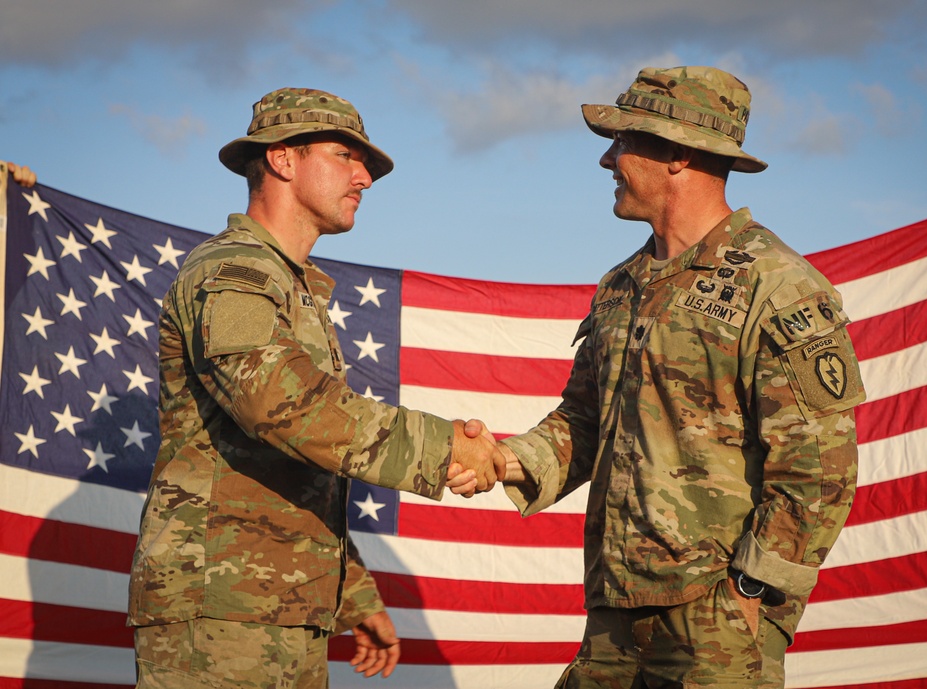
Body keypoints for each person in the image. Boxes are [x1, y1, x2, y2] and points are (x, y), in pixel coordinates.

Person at [457, 66, 865, 687]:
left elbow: (817, 468)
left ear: (677, 153)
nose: (606, 159)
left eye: (622, 140)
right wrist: (502, 460)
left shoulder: (775, 284)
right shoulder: (620, 285)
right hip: (613, 610)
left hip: (714, 621)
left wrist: (752, 591)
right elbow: (585, 421)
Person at [127, 87, 503, 689]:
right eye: (345, 156)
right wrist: (445, 449)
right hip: (221, 613)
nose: (365, 178)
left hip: (280, 610)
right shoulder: (233, 273)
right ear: (282, 159)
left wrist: (351, 593)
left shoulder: (291, 286)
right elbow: (280, 405)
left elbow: (297, 467)